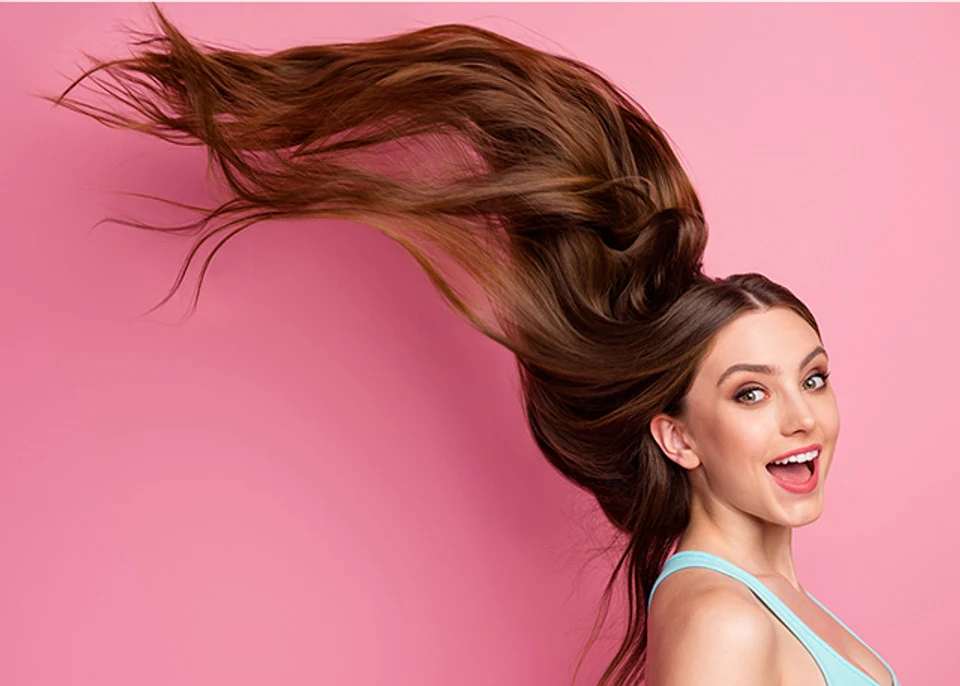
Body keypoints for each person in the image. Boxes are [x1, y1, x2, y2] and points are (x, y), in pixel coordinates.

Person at [42, 4, 900, 685]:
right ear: (676, 434)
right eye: (750, 393)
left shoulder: (767, 600)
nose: (801, 417)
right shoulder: (721, 617)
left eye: (813, 378)